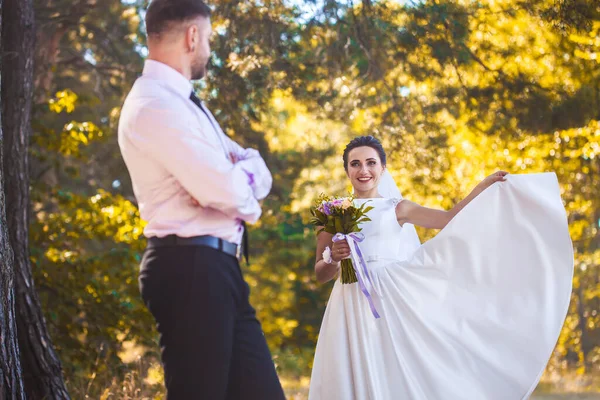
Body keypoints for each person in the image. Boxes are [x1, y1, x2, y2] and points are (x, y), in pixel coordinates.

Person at [309, 135, 573, 400]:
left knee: (393, 367)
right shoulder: (332, 213)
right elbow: (321, 273)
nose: (363, 170)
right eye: (355, 164)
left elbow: (448, 219)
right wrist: (334, 257)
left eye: (370, 163)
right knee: (348, 372)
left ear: (383, 168)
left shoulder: (397, 208)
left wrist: (482, 188)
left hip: (389, 300)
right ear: (347, 170)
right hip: (348, 302)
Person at [117, 0, 285, 398]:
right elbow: (227, 191)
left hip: (216, 269)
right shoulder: (155, 105)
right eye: (208, 38)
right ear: (193, 36)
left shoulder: (185, 104)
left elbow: (252, 165)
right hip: (189, 267)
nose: (209, 48)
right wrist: (240, 187)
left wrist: (237, 178)